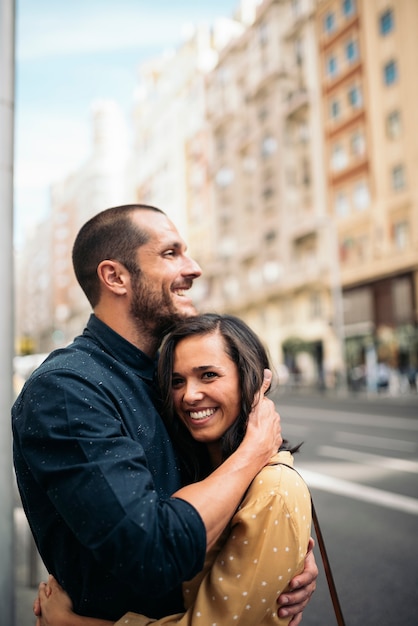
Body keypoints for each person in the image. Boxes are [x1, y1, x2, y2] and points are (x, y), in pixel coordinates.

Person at [12, 204, 317, 624]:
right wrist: (253, 452)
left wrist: (272, 557)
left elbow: (234, 504)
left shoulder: (164, 374)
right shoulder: (67, 389)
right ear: (115, 276)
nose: (193, 268)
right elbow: (151, 552)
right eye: (171, 253)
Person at [35, 313, 313, 626]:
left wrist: (72, 623)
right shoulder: (195, 470)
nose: (189, 395)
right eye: (177, 381)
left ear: (251, 380)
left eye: (208, 375)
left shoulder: (273, 489)